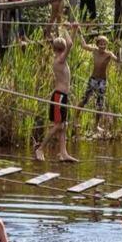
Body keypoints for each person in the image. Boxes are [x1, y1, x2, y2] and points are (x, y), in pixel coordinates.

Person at [34, 22, 78, 163]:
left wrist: (74, 30)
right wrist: (66, 29)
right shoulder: (60, 60)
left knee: (63, 125)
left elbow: (71, 44)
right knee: (58, 125)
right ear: (62, 48)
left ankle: (63, 153)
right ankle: (40, 148)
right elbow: (70, 44)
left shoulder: (60, 59)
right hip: (59, 97)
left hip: (62, 96)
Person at [77, 34, 118, 130]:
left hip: (102, 81)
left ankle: (96, 125)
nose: (103, 46)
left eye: (104, 44)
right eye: (101, 44)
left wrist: (119, 50)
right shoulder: (94, 51)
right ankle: (76, 119)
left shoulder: (108, 54)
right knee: (84, 100)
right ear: (98, 44)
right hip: (93, 79)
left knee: (100, 104)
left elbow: (117, 60)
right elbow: (84, 45)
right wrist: (79, 31)